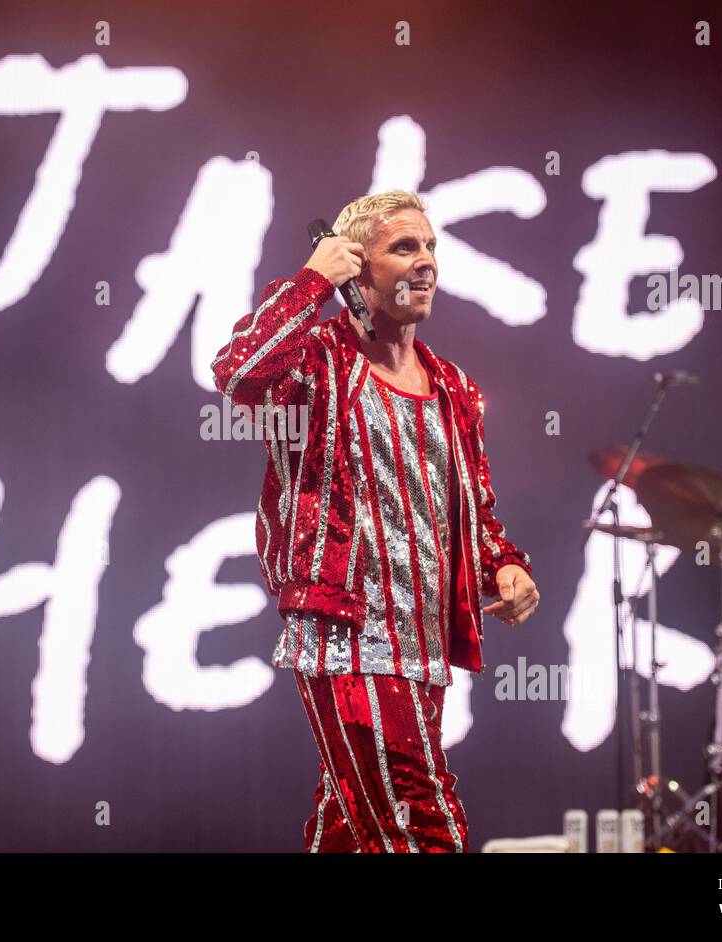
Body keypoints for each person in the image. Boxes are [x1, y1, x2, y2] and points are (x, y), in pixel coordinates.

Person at [211, 189, 539, 852]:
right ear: (354, 266)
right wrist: (310, 282)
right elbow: (238, 370)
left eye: (430, 247)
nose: (426, 263)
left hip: (422, 643)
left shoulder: (453, 385)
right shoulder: (316, 365)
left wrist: (502, 564)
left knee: (352, 822)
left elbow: (473, 509)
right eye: (404, 247)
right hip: (346, 631)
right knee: (417, 814)